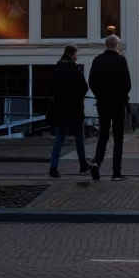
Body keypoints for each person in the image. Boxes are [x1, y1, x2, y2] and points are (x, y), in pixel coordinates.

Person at [88, 34, 132, 181]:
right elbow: (127, 83)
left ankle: (97, 163)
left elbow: (92, 81)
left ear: (105, 45)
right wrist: (122, 97)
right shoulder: (121, 61)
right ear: (117, 46)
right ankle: (116, 172)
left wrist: (99, 97)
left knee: (103, 135)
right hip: (118, 104)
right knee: (118, 137)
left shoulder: (97, 60)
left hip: (103, 104)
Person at [47, 45, 91, 179]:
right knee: (79, 138)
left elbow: (50, 88)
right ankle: (83, 164)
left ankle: (53, 168)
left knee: (59, 139)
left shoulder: (56, 69)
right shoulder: (75, 70)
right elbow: (84, 88)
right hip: (74, 109)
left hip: (60, 110)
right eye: (76, 55)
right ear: (73, 55)